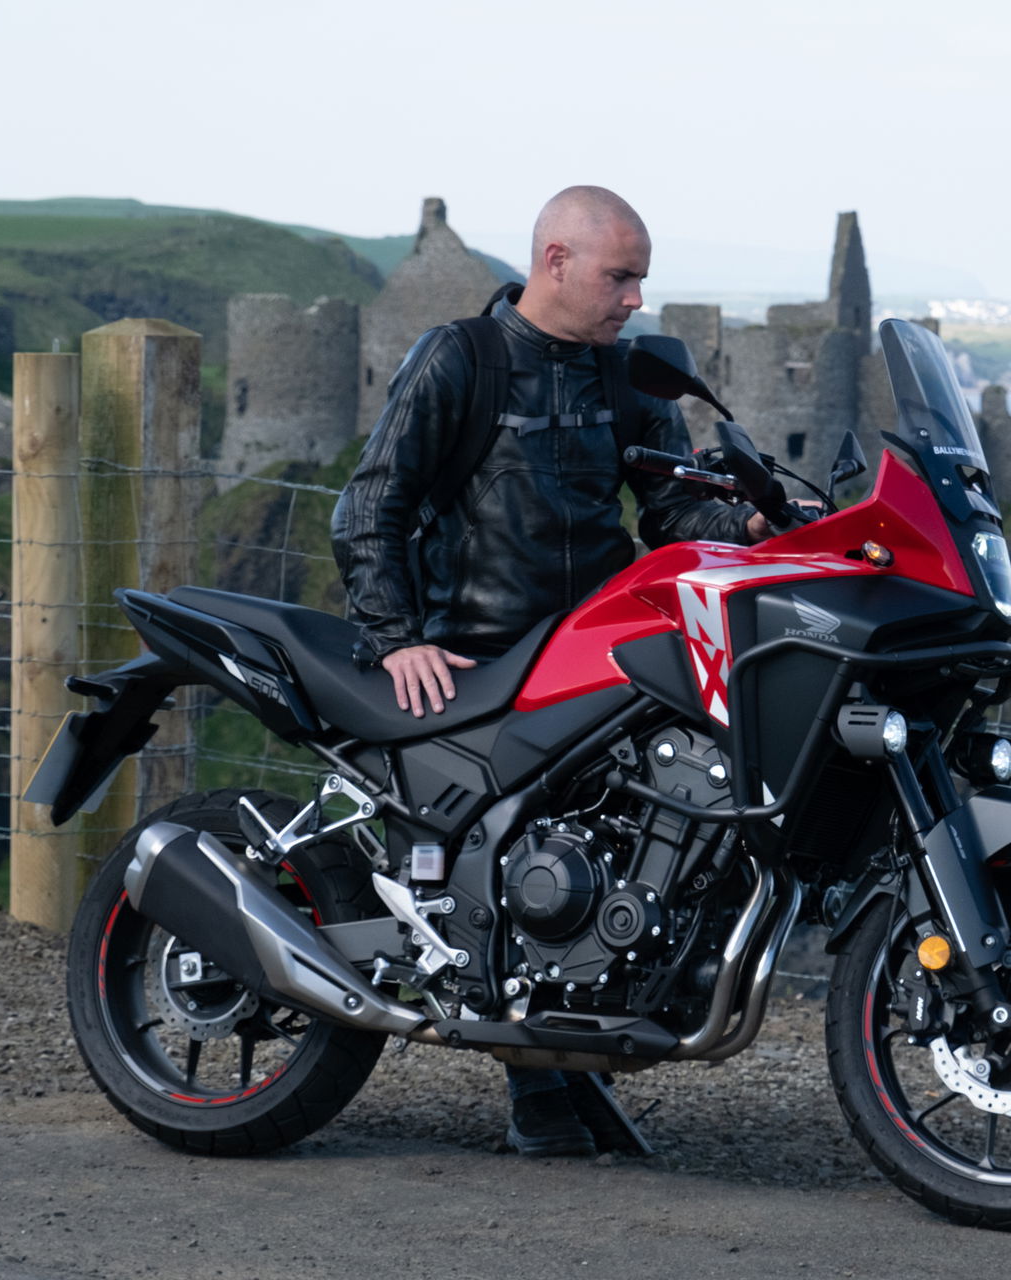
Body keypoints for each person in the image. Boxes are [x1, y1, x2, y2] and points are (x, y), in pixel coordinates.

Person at [331, 186, 777, 1157]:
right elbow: (372, 504)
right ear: (556, 262)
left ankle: (580, 1060)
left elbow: (672, 512)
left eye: (643, 281)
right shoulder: (464, 360)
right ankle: (540, 1089)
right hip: (484, 661)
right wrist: (396, 632)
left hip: (607, 658)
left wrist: (752, 524)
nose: (635, 301)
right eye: (621, 277)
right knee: (532, 864)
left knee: (639, 848)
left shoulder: (628, 381)